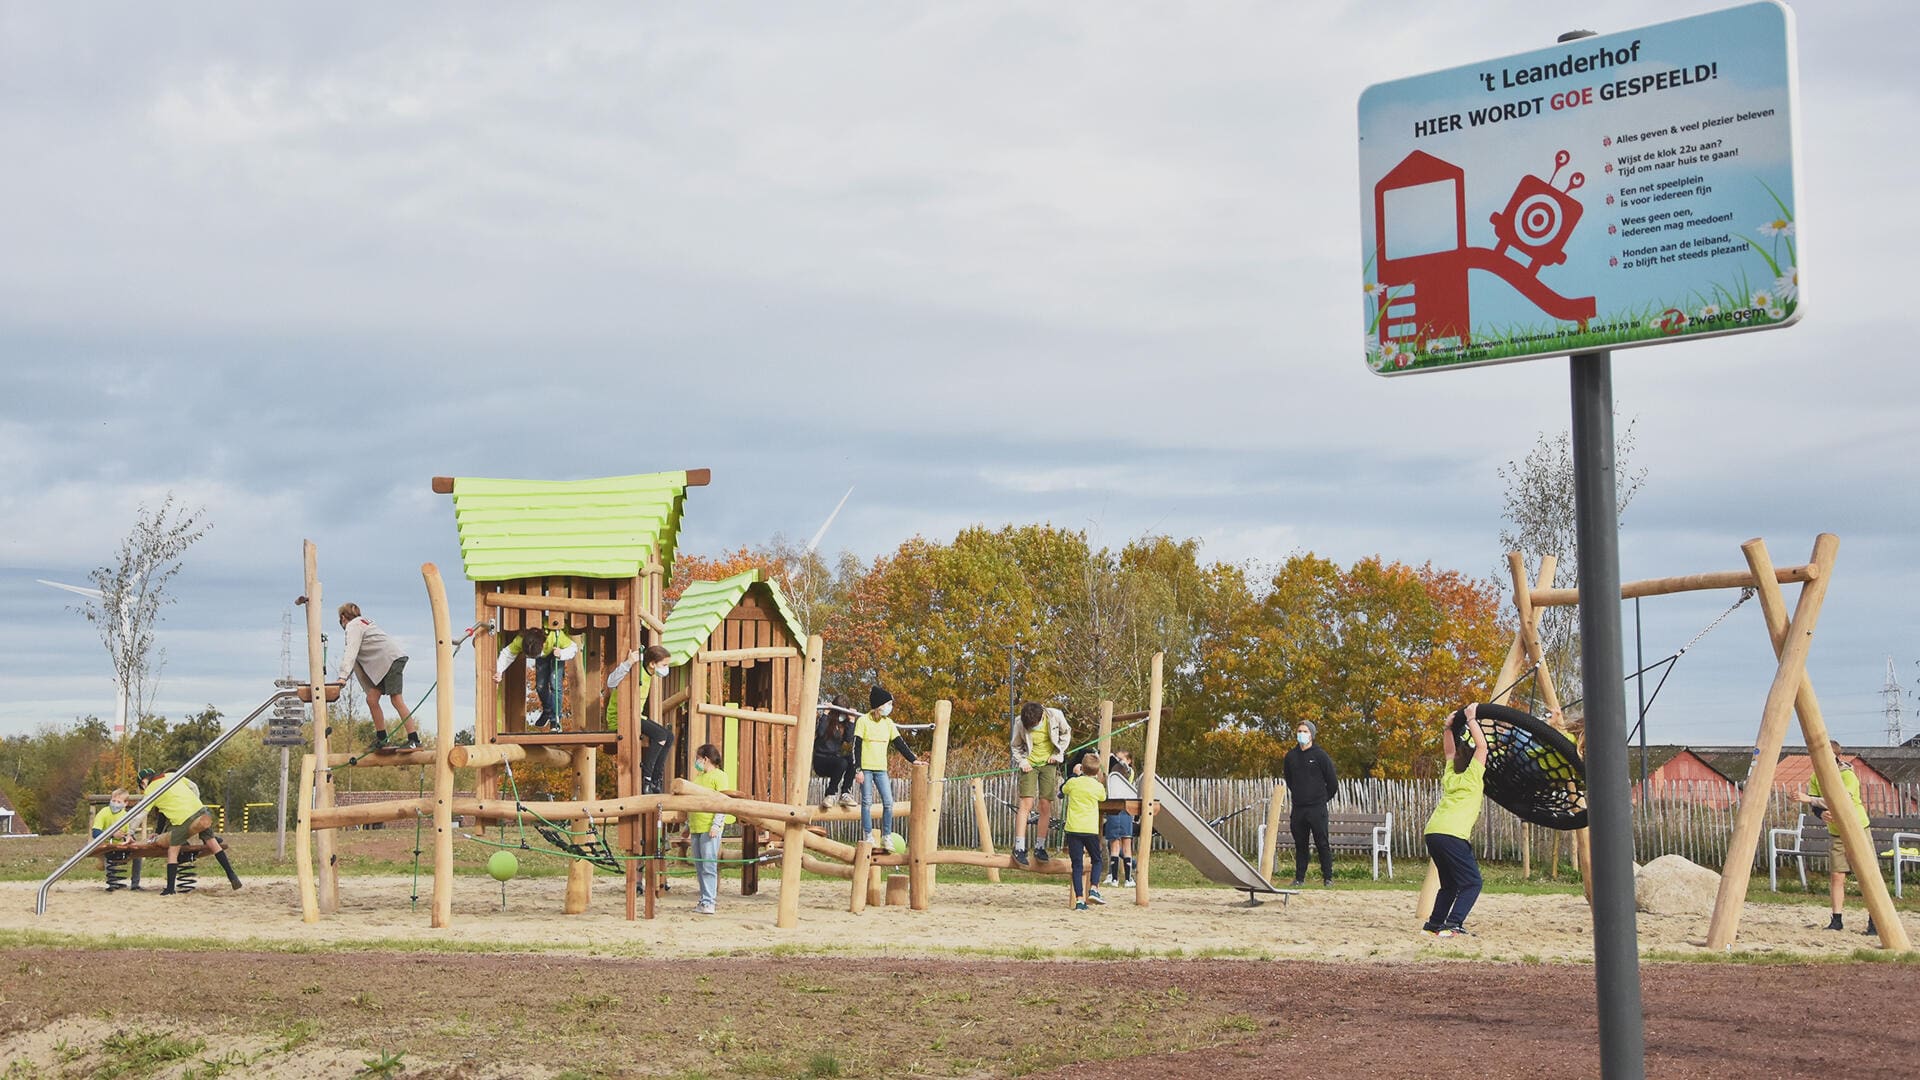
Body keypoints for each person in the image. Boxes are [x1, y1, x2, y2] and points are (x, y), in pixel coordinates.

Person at [1422, 704, 1488, 938]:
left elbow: (1450, 753)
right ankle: (1453, 925)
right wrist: (1471, 719)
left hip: (1433, 832)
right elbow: (1482, 746)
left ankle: (1433, 925)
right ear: (1475, 763)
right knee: (1472, 882)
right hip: (1452, 834)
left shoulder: (1452, 774)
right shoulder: (1473, 776)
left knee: (1449, 884)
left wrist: (1448, 728)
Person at [1799, 741, 1875, 935]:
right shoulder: (1816, 777)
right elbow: (1817, 806)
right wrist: (1820, 814)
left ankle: (1875, 920)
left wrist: (1809, 799)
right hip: (1836, 832)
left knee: (1867, 876)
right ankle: (1837, 919)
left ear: (1836, 757)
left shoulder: (1847, 775)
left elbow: (1842, 799)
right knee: (1837, 875)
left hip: (1857, 828)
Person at [138, 767, 243, 895]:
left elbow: (144, 814)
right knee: (212, 841)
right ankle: (232, 875)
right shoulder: (171, 776)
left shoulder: (151, 790)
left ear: (143, 782)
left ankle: (170, 888)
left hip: (182, 820)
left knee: (173, 850)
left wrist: (131, 832)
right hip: (200, 811)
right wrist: (194, 800)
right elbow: (193, 786)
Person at [335, 603, 421, 749]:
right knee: (372, 699)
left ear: (343, 617)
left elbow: (351, 651)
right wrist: (344, 677)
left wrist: (342, 676)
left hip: (390, 661)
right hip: (385, 663)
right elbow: (355, 659)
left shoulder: (353, 626)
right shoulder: (363, 623)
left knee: (396, 699)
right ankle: (382, 739)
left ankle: (414, 739)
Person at [854, 687, 917, 852]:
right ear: (879, 705)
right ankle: (868, 835)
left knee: (888, 803)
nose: (890, 707)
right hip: (866, 768)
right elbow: (856, 747)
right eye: (888, 703)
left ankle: (886, 836)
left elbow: (900, 744)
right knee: (866, 802)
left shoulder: (888, 723)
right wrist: (857, 769)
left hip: (881, 769)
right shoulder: (863, 721)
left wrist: (914, 760)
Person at [607, 644, 675, 793]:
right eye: (664, 665)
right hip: (621, 717)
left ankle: (656, 778)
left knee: (669, 737)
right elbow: (610, 682)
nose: (666, 669)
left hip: (635, 716)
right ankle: (647, 776)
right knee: (660, 735)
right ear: (652, 664)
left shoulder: (649, 673)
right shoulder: (636, 672)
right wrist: (628, 663)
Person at [1010, 702, 1070, 868]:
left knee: (1045, 804)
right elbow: (1015, 746)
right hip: (1029, 764)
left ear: (1042, 716)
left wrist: (1058, 755)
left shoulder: (1055, 716)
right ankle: (1019, 847)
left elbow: (1066, 734)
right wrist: (1022, 761)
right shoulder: (1019, 722)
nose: (1031, 728)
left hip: (1049, 763)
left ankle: (1040, 846)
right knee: (1026, 803)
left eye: (1034, 726)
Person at [1282, 719, 1340, 887]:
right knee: (1301, 844)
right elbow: (1290, 780)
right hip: (1299, 808)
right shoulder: (1291, 757)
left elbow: (1332, 783)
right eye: (1299, 731)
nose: (1302, 734)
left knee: (1322, 843)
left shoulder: (1320, 756)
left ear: (1312, 735)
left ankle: (1328, 877)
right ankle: (1299, 878)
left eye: (1305, 731)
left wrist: (1321, 799)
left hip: (1317, 808)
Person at [495, 626, 579, 732]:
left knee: (555, 684)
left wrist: (561, 653)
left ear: (543, 644)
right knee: (540, 686)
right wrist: (499, 671)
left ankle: (555, 720)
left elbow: (573, 647)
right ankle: (547, 710)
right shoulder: (521, 640)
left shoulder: (554, 636)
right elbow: (507, 654)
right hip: (542, 657)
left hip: (556, 652)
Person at [686, 743, 730, 916]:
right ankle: (704, 899)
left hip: (709, 826)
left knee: (708, 865)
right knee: (699, 866)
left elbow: (723, 801)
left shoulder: (719, 776)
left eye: (698, 758)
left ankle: (709, 901)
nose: (696, 762)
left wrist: (716, 824)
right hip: (696, 825)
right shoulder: (698, 778)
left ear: (705, 759)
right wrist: (687, 826)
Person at [1062, 752, 1108, 910]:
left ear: (1081, 767)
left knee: (1077, 865)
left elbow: (1064, 789)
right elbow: (1103, 798)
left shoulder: (1074, 783)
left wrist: (1074, 775)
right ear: (1096, 771)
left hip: (1073, 828)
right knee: (1096, 859)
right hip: (1089, 829)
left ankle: (1080, 899)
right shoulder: (1098, 786)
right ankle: (1094, 888)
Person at [91, 789, 144, 891]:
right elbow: (95, 832)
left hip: (122, 844)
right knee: (108, 853)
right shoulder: (104, 812)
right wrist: (111, 834)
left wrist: (128, 837)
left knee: (138, 854)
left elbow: (128, 832)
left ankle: (135, 884)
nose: (115, 804)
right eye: (113, 800)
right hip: (107, 845)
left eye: (119, 802)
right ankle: (112, 883)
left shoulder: (126, 815)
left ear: (125, 804)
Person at [812, 696, 859, 808]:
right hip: (821, 760)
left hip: (835, 759)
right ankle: (830, 794)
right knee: (842, 762)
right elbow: (820, 733)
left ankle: (845, 793)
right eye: (839, 712)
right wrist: (825, 713)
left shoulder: (843, 723)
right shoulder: (827, 719)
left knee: (852, 760)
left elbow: (848, 739)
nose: (840, 716)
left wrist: (852, 720)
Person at [1102, 750, 1136, 887]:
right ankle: (1118, 878)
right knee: (1116, 844)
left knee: (1124, 843)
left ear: (1129, 760)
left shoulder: (1128, 772)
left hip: (1121, 809)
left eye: (1122, 758)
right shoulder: (1114, 773)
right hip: (1121, 810)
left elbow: (1129, 774)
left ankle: (1123, 878)